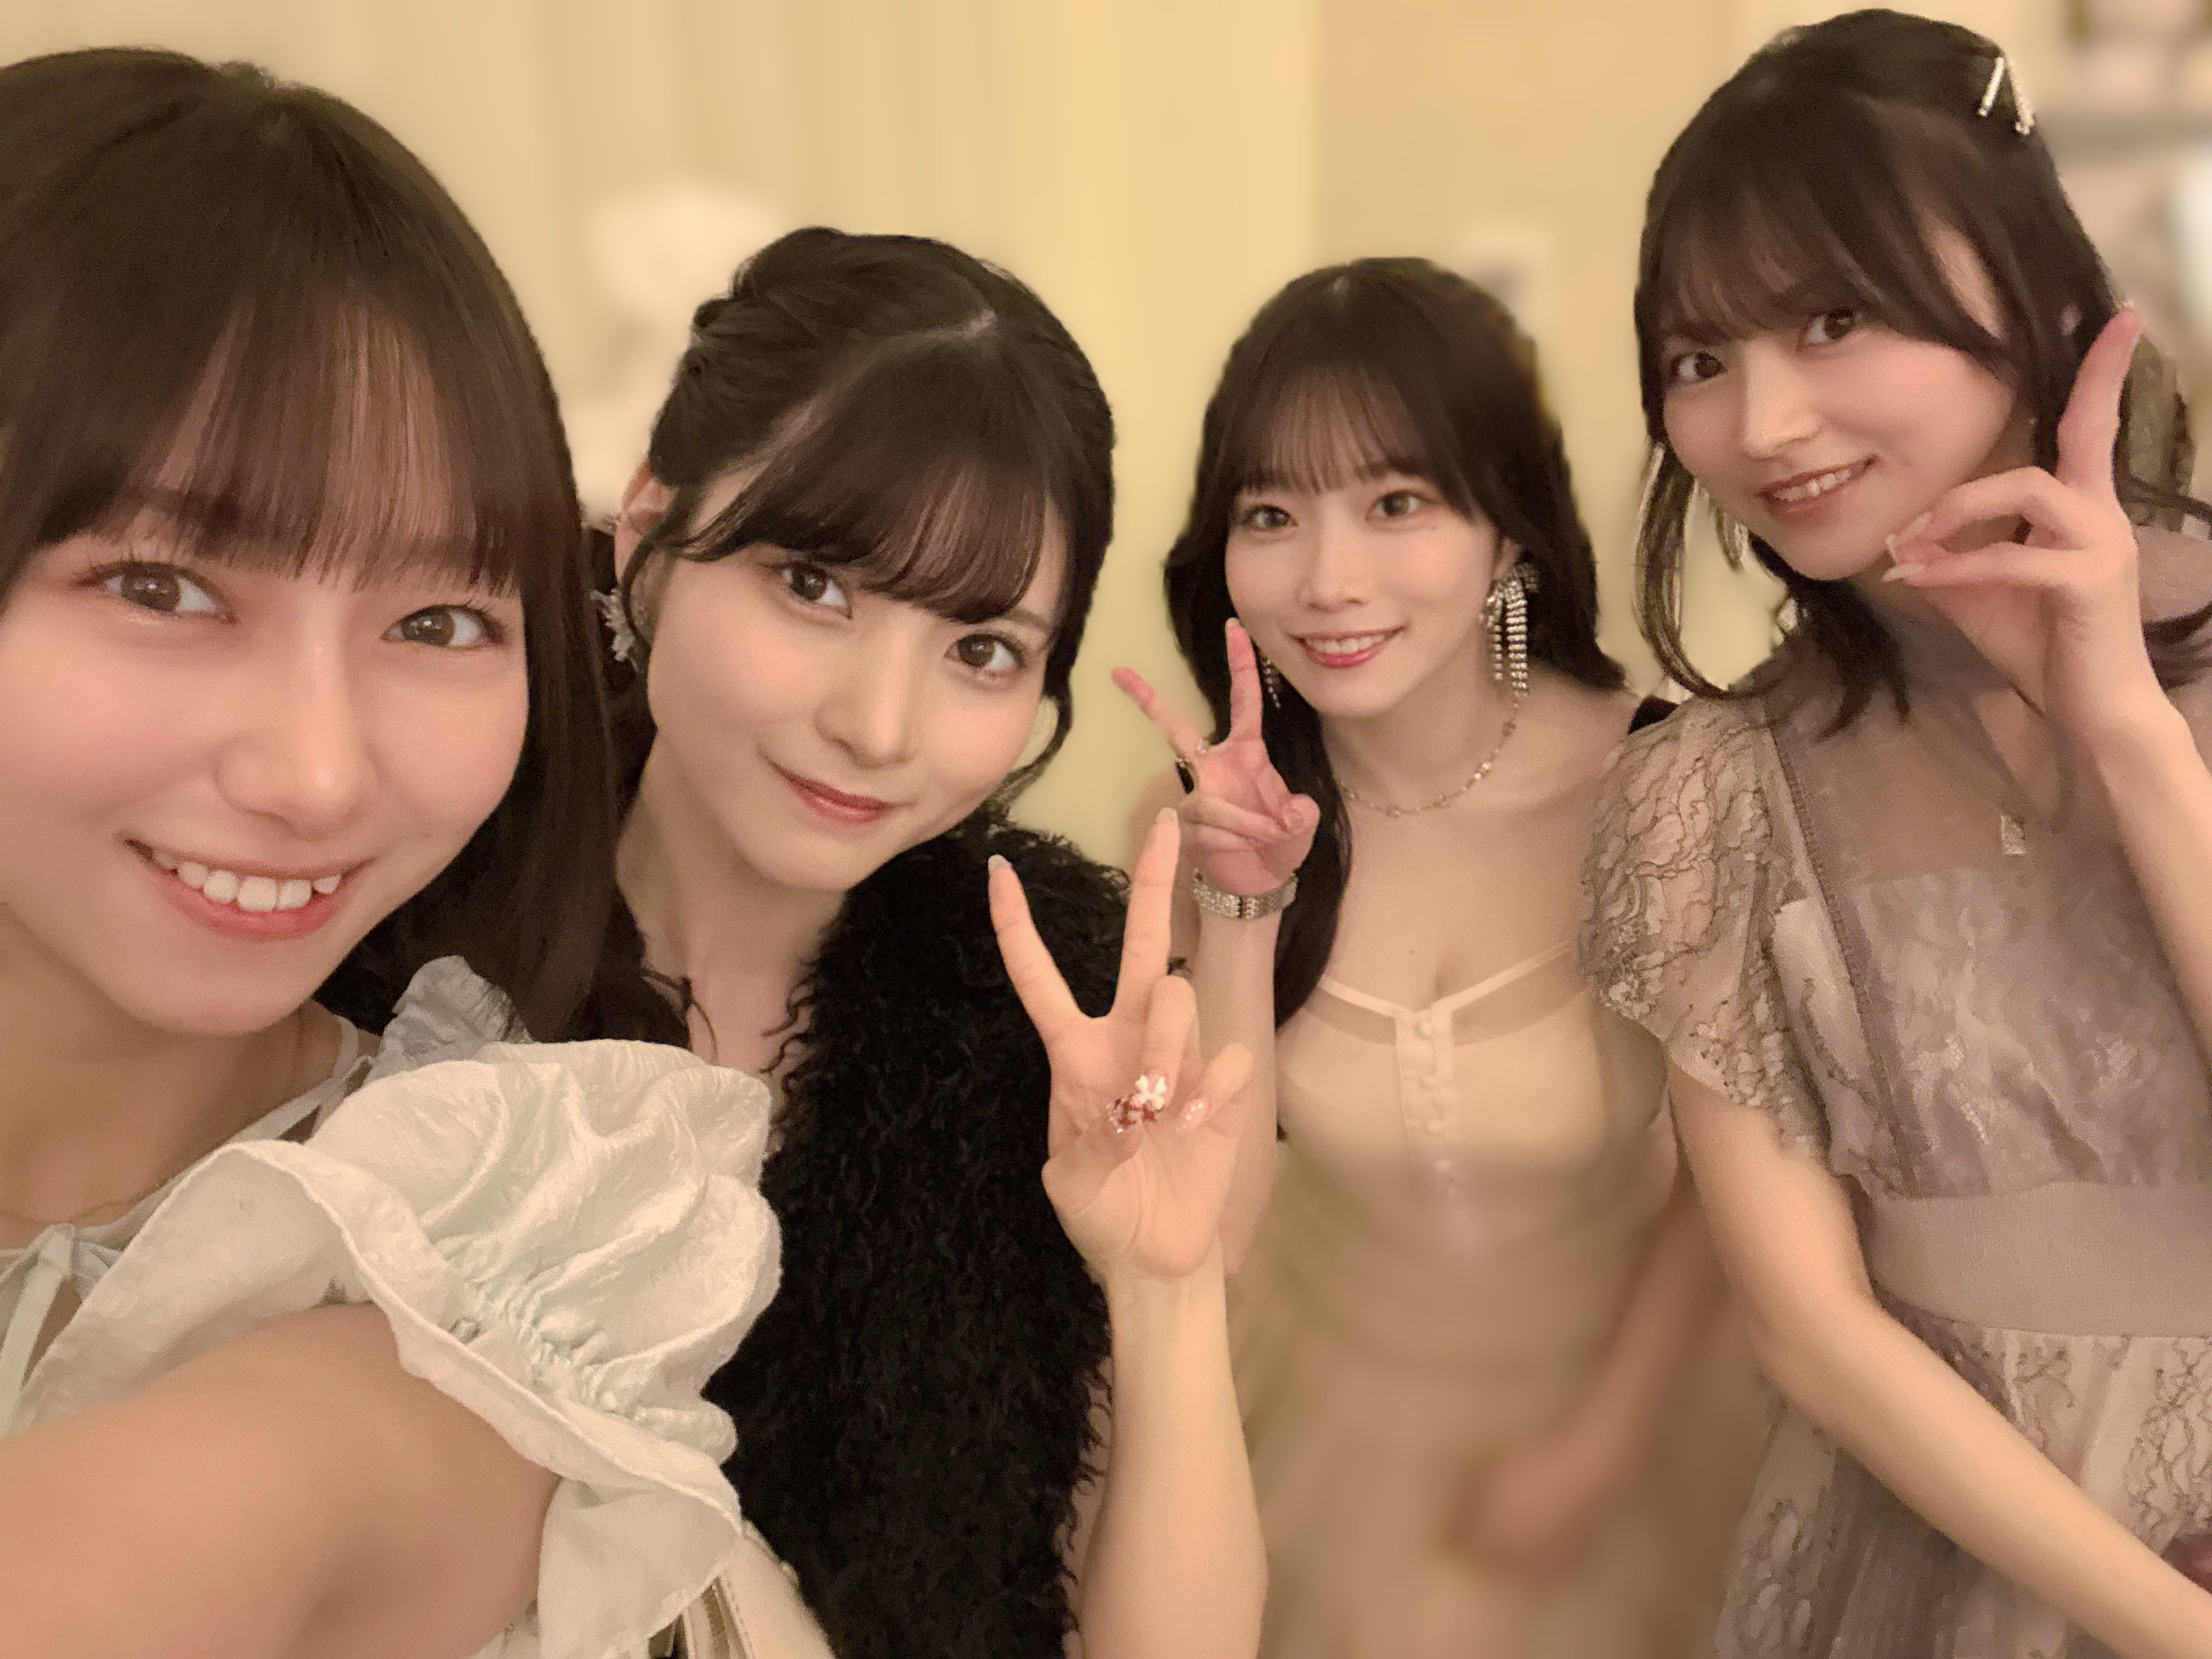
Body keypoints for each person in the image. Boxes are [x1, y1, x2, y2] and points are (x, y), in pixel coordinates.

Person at [0, 49, 783, 1659]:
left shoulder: (514, 1222)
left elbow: (291, 1505)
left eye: (435, 621)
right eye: (160, 587)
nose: (317, 775)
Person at [1582, 12, 2212, 1656]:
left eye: (1836, 317)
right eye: (1701, 359)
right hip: (1931, 1574)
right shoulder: (1712, 789)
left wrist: (2131, 738)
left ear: (2042, 297)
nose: (1765, 424)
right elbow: (1810, 1329)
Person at [579, 227, 1266, 1659]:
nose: (879, 728)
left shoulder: (1052, 1002)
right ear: (647, 531)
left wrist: (1164, 1285)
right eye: (813, 585)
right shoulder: (431, 926)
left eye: (981, 650)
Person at [1119, 257, 1753, 1657]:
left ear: (1508, 535)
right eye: (1271, 515)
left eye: (1396, 503)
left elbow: (1732, 1199)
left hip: (1646, 1455)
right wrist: (1242, 907)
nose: (1327, 580)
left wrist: (1595, 1458)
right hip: (1326, 1471)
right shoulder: (1199, 821)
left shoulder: (1672, 783)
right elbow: (1215, 1237)